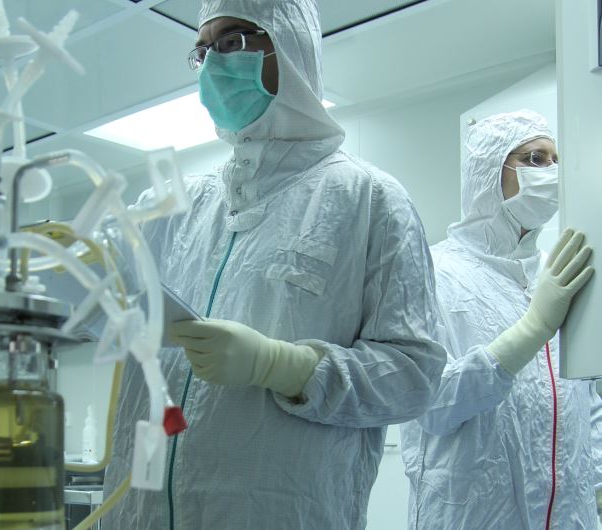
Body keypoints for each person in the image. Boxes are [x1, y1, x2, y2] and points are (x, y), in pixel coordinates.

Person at [101, 0, 446, 528]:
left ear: (290, 47)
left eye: (233, 41)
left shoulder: (369, 199)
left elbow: (414, 376)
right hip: (139, 513)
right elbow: (95, 302)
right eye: (203, 50)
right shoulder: (174, 206)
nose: (214, 64)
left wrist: (283, 366)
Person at [399, 109, 602, 530]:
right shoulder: (433, 271)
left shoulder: (555, 272)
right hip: (473, 516)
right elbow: (430, 403)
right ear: (489, 171)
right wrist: (530, 331)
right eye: (534, 159)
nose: (551, 172)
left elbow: (586, 397)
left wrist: (597, 482)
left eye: (556, 160)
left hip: (570, 517)